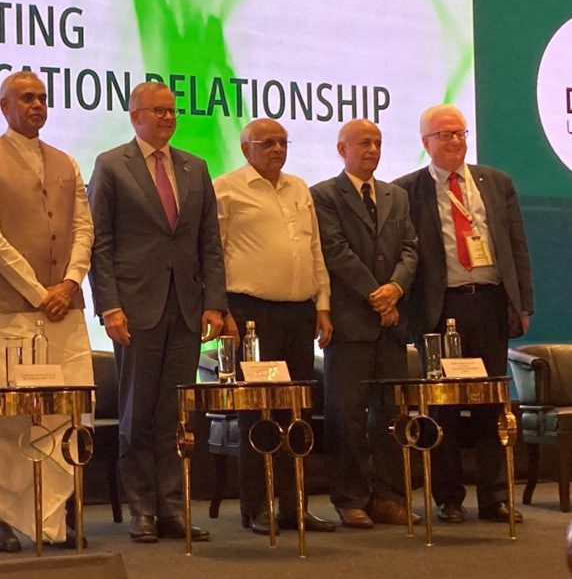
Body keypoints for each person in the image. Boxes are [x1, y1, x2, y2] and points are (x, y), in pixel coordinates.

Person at [87, 81, 226, 543]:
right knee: (137, 413)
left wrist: (214, 302)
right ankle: (141, 509)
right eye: (158, 111)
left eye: (172, 111)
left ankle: (173, 506)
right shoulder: (111, 165)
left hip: (186, 308)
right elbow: (99, 244)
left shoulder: (195, 167)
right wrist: (109, 305)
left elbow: (209, 242)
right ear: (135, 116)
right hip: (134, 308)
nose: (168, 118)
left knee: (174, 415)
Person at [0, 71, 94, 551]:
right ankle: (4, 520)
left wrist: (70, 282)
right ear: (4, 106)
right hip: (6, 311)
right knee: (5, 419)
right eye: (26, 98)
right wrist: (39, 290)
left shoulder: (66, 162)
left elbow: (85, 228)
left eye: (42, 97)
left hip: (65, 307)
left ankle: (55, 520)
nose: (37, 105)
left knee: (63, 415)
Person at [394, 104, 533, 524]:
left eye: (460, 133)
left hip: (490, 302)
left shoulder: (496, 183)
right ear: (426, 144)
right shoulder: (407, 190)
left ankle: (495, 497)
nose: (455, 141)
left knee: (493, 403)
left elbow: (516, 247)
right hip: (442, 308)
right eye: (445, 135)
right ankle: (448, 497)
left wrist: (522, 304)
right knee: (445, 408)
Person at [213, 118, 338, 535]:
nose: (277, 150)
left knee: (295, 412)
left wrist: (323, 304)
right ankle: (258, 505)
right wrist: (220, 309)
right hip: (250, 314)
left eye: (283, 143)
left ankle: (294, 505)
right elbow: (212, 254)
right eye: (267, 143)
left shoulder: (299, 187)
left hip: (299, 312)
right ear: (246, 148)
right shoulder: (226, 188)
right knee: (259, 412)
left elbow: (314, 249)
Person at [311, 119, 419, 528]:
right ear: (343, 150)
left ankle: (389, 496)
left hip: (391, 324)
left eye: (377, 142)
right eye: (364, 143)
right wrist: (377, 297)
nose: (373, 149)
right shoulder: (323, 194)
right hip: (350, 323)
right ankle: (350, 498)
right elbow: (334, 251)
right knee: (348, 414)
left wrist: (395, 289)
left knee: (392, 415)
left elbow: (410, 247)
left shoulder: (397, 195)